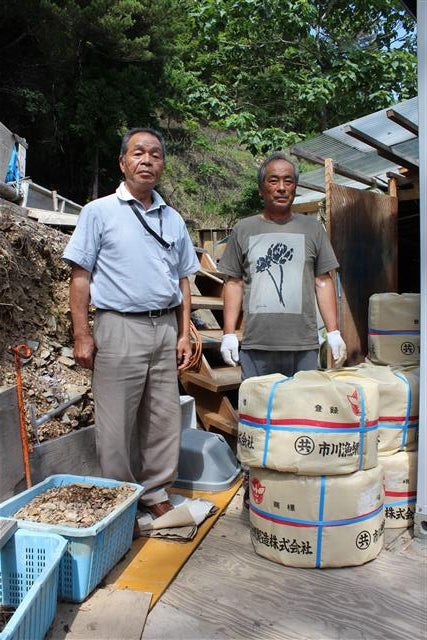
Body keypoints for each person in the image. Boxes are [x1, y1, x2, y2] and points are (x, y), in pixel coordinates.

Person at [62, 128, 199, 527]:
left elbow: (183, 280)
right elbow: (81, 277)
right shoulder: (98, 211)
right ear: (122, 162)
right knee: (116, 421)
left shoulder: (172, 218)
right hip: (118, 326)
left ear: (162, 165)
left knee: (163, 416)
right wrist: (82, 333)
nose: (147, 160)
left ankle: (155, 491)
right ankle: (120, 496)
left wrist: (183, 331)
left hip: (163, 328)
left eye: (155, 155)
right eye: (138, 153)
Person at [219, 152, 347, 380]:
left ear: (295, 188)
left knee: (302, 411)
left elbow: (323, 281)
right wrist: (228, 333)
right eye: (273, 180)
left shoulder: (313, 229)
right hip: (257, 346)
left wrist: (334, 331)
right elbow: (234, 282)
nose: (281, 187)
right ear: (261, 189)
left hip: (303, 346)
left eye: (288, 181)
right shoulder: (244, 229)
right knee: (259, 412)